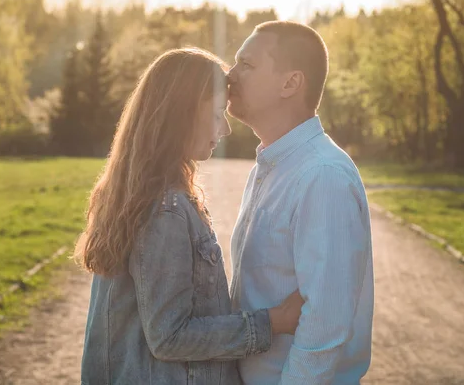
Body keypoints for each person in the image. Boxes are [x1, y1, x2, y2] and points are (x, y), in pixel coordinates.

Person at [74, 47, 304, 385]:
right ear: (179, 115)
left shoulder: (138, 193)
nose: (224, 129)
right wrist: (273, 322)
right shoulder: (165, 210)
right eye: (215, 114)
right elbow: (169, 336)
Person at [227, 21, 375, 384]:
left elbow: (324, 325)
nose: (229, 76)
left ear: (290, 83)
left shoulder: (322, 175)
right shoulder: (271, 164)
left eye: (246, 65)